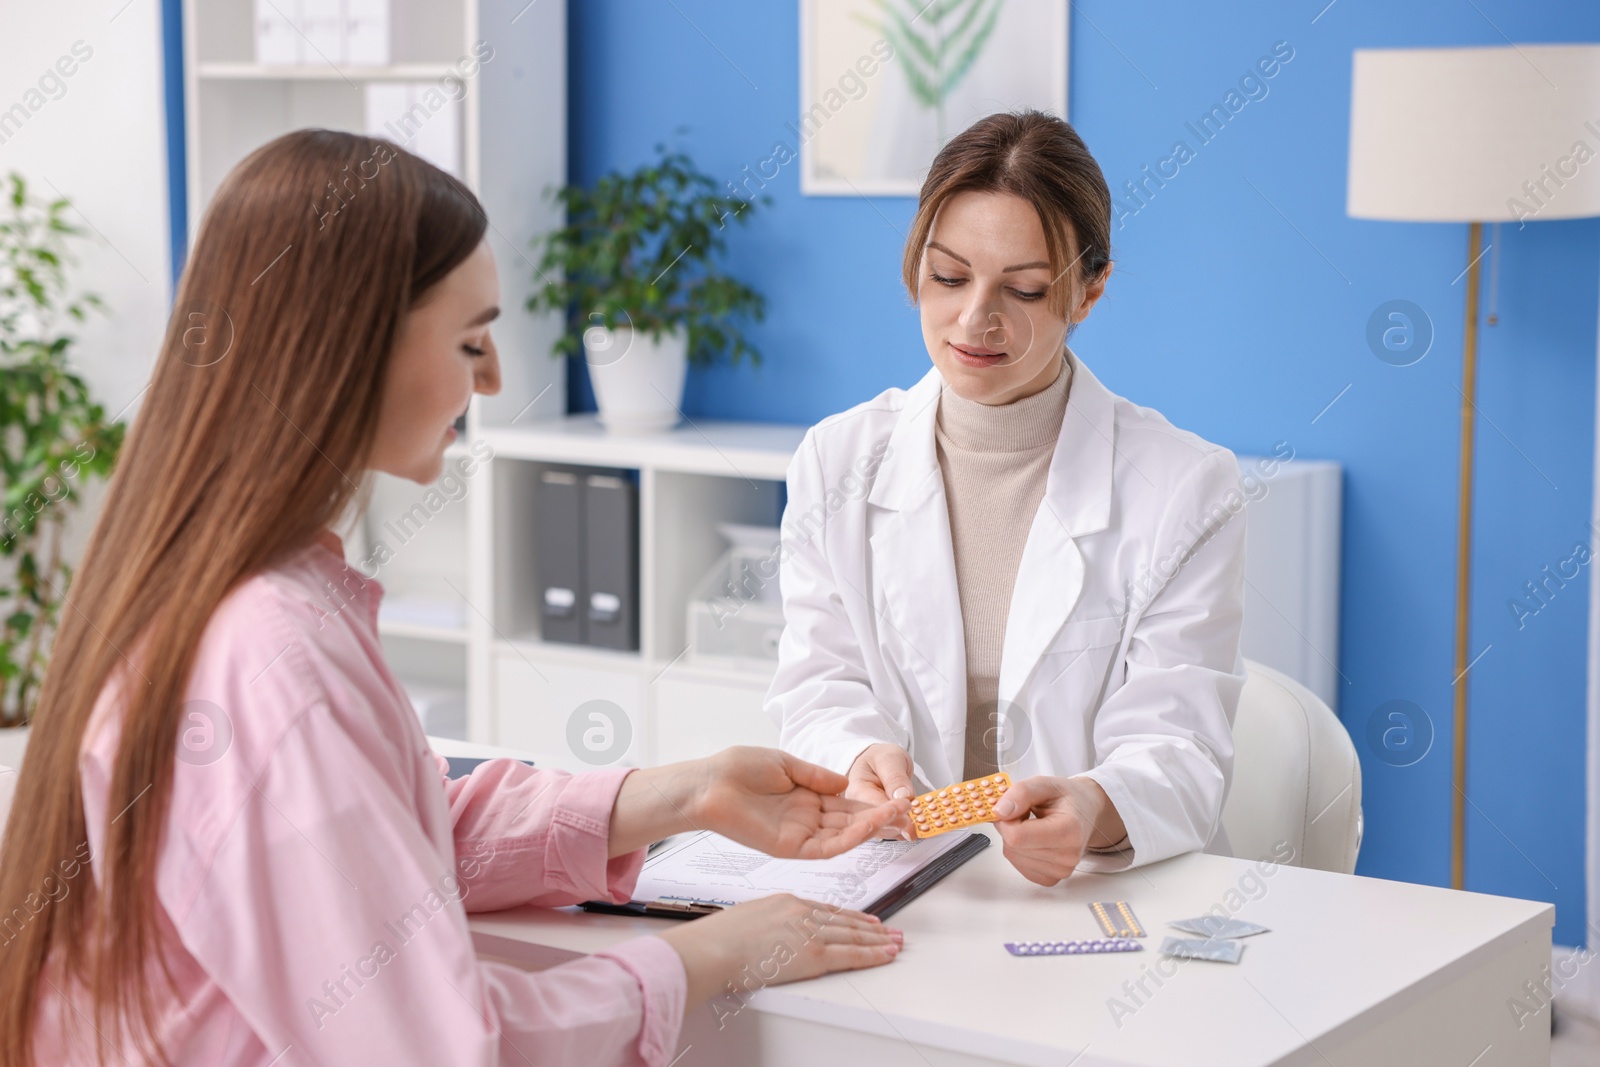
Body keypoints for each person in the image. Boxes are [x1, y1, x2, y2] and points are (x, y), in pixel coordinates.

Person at [0, 130, 910, 1067]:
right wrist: (708, 952)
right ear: (346, 344)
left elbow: (394, 836)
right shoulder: (272, 659)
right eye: (471, 339)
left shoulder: (230, 588)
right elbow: (439, 1049)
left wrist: (687, 791)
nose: (494, 380)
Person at [766, 110, 1248, 887]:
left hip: (1098, 896)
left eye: (1022, 290)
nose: (974, 319)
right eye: (948, 277)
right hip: (905, 879)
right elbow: (818, 682)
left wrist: (1094, 803)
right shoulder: (836, 461)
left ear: (1089, 293)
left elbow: (1181, 748)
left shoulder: (1186, 488)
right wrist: (858, 753)